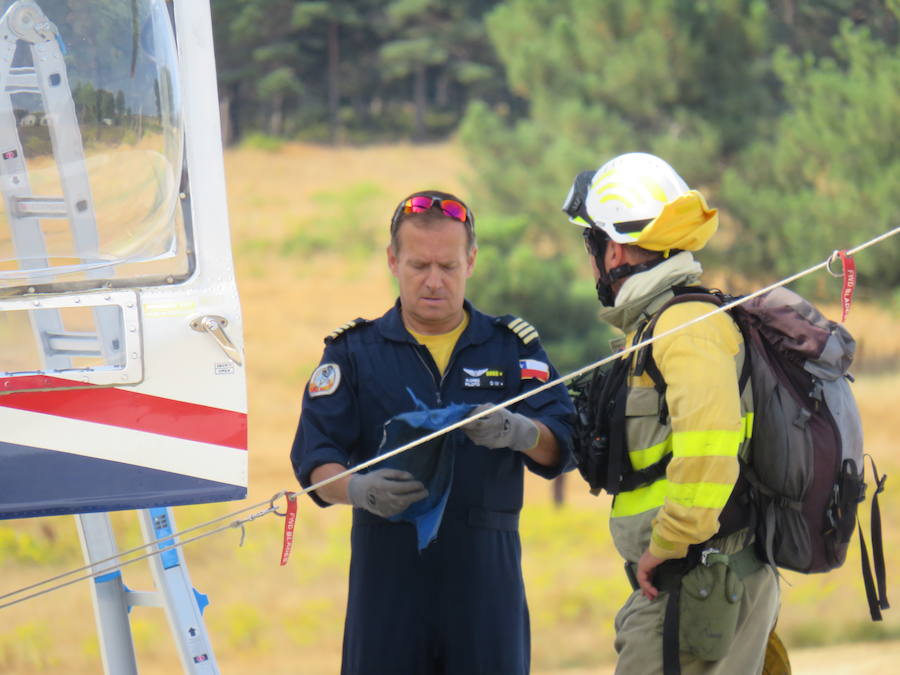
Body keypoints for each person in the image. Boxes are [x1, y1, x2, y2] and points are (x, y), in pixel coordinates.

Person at [291, 189, 574, 675]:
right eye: (419, 266)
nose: (434, 281)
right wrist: (357, 489)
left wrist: (520, 431)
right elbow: (315, 458)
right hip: (388, 579)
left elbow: (563, 442)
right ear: (392, 260)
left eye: (448, 266)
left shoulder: (511, 348)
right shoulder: (354, 352)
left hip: (487, 582)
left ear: (472, 261)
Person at [561, 153, 779, 674]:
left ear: (613, 249)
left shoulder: (685, 327)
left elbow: (709, 448)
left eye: (592, 244)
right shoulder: (666, 322)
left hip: (694, 583)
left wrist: (667, 543)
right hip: (701, 582)